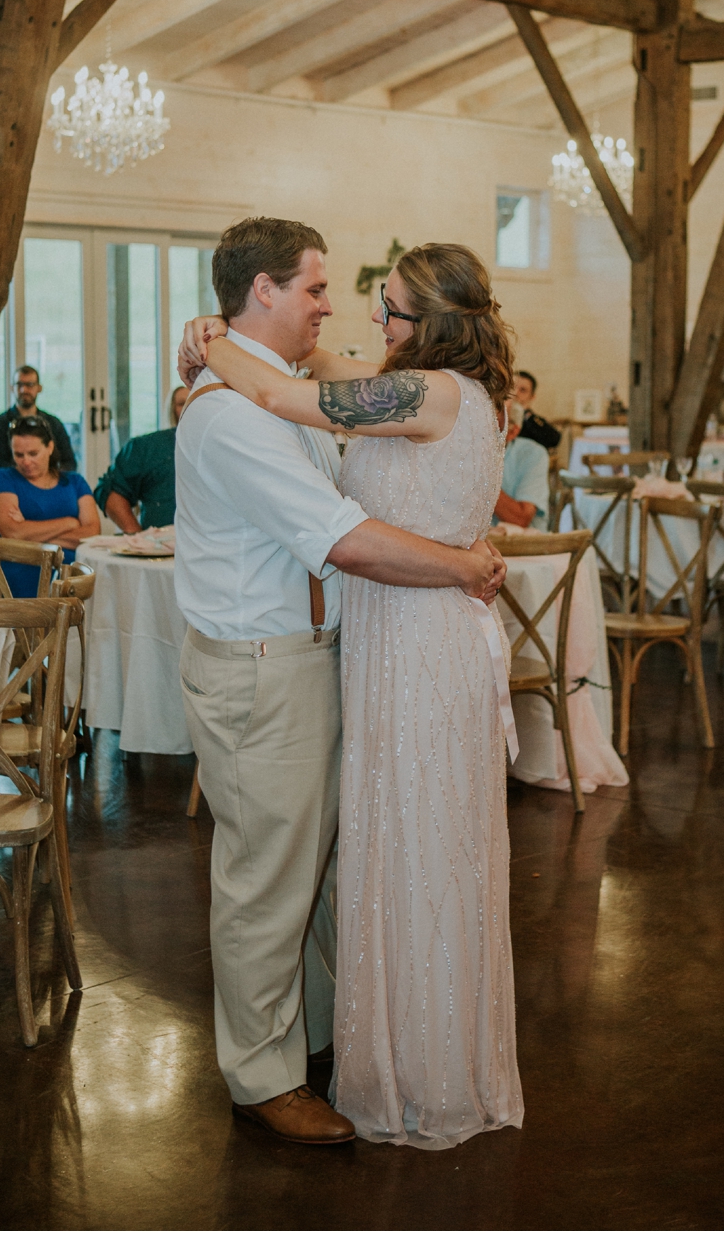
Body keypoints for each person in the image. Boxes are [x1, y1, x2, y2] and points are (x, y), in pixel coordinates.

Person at [182, 236, 523, 1152]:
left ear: (429, 324)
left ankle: (364, 1039)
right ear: (267, 288)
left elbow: (298, 387)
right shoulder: (235, 411)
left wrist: (211, 339)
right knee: (285, 872)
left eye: (385, 307)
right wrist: (213, 342)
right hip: (286, 656)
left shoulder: (409, 392)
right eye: (323, 288)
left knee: (364, 853)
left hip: (388, 649)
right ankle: (268, 1071)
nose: (350, 313)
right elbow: (340, 529)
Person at [0, 415, 99, 595]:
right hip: (18, 570)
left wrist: (32, 536)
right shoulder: (3, 479)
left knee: (100, 585)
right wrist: (69, 523)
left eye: (33, 453)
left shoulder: (75, 482)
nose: (26, 462)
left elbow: (92, 532)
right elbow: (13, 532)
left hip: (70, 573)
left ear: (50, 447)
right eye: (18, 455)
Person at [94, 385, 186, 531]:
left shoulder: (226, 446)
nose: (189, 407)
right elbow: (111, 491)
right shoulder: (149, 447)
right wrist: (138, 540)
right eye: (182, 403)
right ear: (171, 410)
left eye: (194, 401)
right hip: (160, 548)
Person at [0, 364, 78, 473]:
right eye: (19, 385)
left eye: (30, 385)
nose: (24, 390)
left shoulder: (53, 424)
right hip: (14, 486)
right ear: (12, 388)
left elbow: (69, 463)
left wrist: (46, 479)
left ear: (39, 388)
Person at [495, 400, 551, 529]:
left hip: (523, 544)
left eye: (492, 423)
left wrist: (476, 475)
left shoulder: (532, 454)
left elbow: (521, 519)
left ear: (513, 431)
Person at [512, 370, 562, 451]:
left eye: (523, 390)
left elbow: (554, 439)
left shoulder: (532, 420)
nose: (515, 393)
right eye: (512, 387)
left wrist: (527, 414)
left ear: (532, 397)